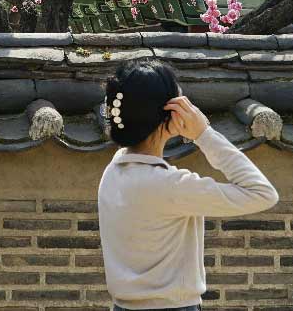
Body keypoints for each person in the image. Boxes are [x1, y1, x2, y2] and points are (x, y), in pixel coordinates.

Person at [97, 58, 279, 311]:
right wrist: (204, 134)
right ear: (170, 110)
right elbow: (262, 193)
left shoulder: (115, 170)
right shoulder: (169, 186)